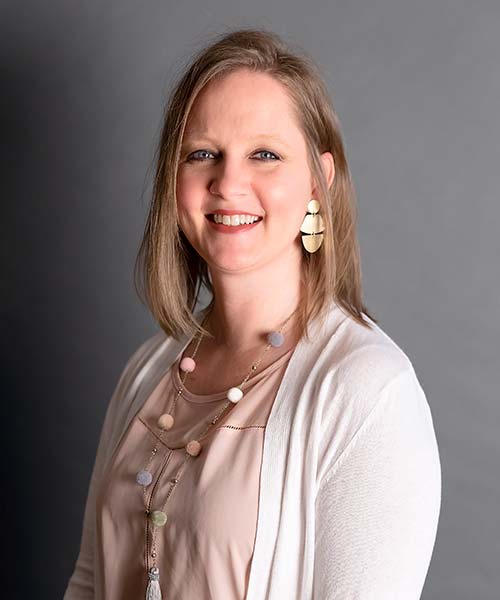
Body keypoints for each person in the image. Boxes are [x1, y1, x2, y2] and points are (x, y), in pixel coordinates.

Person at [63, 28, 441, 600]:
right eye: (202, 154)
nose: (228, 182)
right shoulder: (148, 371)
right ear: (174, 180)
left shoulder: (365, 392)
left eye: (264, 154)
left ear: (320, 180)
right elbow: (89, 582)